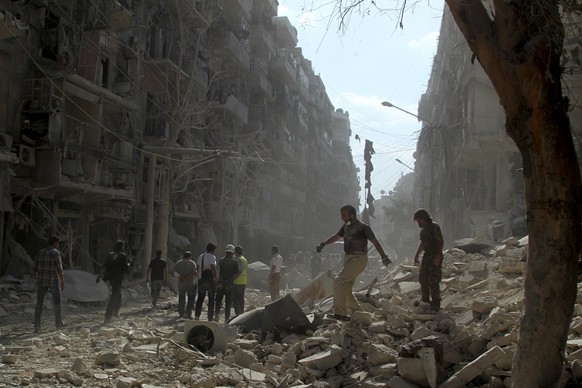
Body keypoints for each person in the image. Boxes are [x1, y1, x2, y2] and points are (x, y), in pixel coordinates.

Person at [317, 205, 392, 321]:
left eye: (344, 215)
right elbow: (336, 237)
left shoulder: (363, 228)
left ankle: (340, 313)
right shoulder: (345, 227)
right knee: (345, 287)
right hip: (348, 259)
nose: (342, 218)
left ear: (352, 215)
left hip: (359, 259)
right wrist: (324, 244)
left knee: (338, 282)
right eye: (341, 215)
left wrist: (384, 257)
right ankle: (357, 311)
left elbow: (375, 242)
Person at [413, 208, 444, 313]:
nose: (418, 222)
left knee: (433, 280)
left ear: (424, 218)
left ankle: (436, 304)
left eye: (419, 220)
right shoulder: (423, 231)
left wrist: (438, 255)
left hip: (435, 254)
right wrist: (417, 255)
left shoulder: (434, 227)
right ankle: (426, 302)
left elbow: (440, 241)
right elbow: (422, 244)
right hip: (427, 256)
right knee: (423, 278)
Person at [33, 236, 65, 333]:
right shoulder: (56, 253)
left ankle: (37, 327)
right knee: (57, 303)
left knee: (39, 304)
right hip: (53, 281)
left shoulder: (41, 252)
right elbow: (60, 269)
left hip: (42, 281)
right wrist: (62, 282)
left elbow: (35, 266)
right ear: (55, 243)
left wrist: (35, 276)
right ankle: (58, 324)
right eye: (58, 244)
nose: (58, 246)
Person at [97, 240, 131, 323]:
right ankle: (107, 317)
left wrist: (99, 276)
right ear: (122, 247)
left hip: (109, 278)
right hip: (117, 278)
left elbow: (104, 266)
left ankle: (116, 312)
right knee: (114, 297)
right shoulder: (123, 256)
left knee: (118, 294)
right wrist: (129, 263)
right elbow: (126, 268)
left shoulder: (109, 255)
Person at [214, 244, 241, 323]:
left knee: (218, 301)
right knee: (228, 302)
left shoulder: (221, 260)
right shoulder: (235, 262)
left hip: (221, 283)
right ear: (233, 252)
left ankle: (216, 316)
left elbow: (219, 271)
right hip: (229, 284)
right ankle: (226, 319)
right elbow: (237, 273)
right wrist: (233, 279)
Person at [194, 243, 217, 321]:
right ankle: (210, 317)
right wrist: (215, 278)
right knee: (211, 299)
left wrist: (199, 276)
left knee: (200, 299)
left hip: (202, 279)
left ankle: (197, 315)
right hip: (210, 280)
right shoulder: (212, 257)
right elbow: (212, 267)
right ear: (213, 250)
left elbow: (197, 267)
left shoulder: (201, 256)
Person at [174, 251, 197, 318]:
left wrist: (181, 278)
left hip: (181, 284)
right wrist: (187, 278)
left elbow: (175, 273)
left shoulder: (178, 263)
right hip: (190, 284)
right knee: (191, 299)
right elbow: (194, 273)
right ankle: (188, 313)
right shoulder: (192, 263)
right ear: (190, 256)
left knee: (181, 299)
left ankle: (181, 313)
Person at [233, 245, 248, 316]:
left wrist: (234, 278)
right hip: (243, 281)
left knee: (235, 299)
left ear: (236, 252)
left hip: (237, 282)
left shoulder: (238, 259)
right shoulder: (244, 259)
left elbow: (240, 271)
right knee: (241, 299)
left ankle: (237, 314)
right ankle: (242, 313)